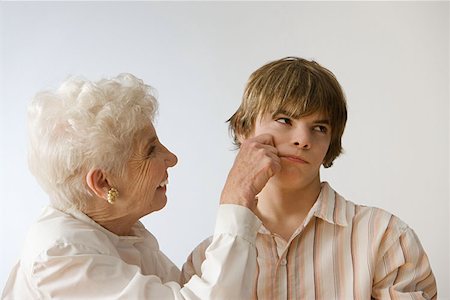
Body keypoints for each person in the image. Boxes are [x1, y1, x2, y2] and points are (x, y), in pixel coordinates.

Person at [1, 73, 279, 299]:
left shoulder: (120, 229)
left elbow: (183, 289)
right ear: (103, 182)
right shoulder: (60, 256)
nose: (171, 158)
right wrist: (235, 201)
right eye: (150, 150)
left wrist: (242, 215)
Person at [181, 57, 437, 299]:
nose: (303, 140)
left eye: (319, 128)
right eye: (284, 120)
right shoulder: (207, 261)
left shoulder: (385, 238)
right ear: (243, 129)